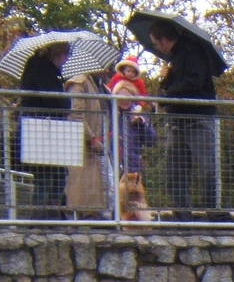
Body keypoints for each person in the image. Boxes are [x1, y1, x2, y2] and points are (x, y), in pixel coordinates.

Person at [149, 20, 219, 219]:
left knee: (207, 168)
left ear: (164, 40)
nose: (156, 47)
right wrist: (166, 81)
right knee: (176, 169)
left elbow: (193, 81)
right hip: (177, 119)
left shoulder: (193, 52)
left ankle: (214, 213)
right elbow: (175, 84)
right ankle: (182, 213)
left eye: (156, 43)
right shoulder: (175, 58)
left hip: (197, 118)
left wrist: (168, 94)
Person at [15, 43, 72, 218]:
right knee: (46, 177)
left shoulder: (47, 70)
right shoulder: (41, 67)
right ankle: (41, 219)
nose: (66, 59)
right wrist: (65, 101)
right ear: (58, 52)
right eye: (65, 54)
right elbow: (55, 99)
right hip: (42, 128)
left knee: (56, 176)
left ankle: (51, 216)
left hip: (48, 128)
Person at [64, 70, 110, 218]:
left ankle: (90, 214)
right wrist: (91, 137)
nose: (107, 70)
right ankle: (78, 215)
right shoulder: (78, 83)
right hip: (80, 141)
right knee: (78, 181)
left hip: (91, 141)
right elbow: (76, 114)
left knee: (92, 181)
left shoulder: (93, 84)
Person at [108, 55, 155, 177]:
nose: (124, 98)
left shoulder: (138, 116)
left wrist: (143, 124)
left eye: (128, 95)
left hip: (132, 168)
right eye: (121, 94)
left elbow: (151, 141)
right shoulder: (108, 114)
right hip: (112, 165)